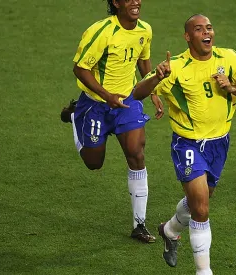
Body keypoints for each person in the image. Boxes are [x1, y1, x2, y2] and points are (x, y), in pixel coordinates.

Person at [133, 14, 236, 274]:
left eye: (210, 27)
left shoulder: (228, 59)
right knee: (201, 208)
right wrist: (157, 77)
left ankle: (169, 230)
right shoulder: (176, 66)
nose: (207, 32)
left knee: (199, 201)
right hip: (188, 144)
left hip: (219, 144)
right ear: (187, 36)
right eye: (199, 28)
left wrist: (232, 88)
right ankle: (204, 271)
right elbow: (137, 93)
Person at [60, 0, 164, 243]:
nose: (136, 2)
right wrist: (107, 96)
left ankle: (139, 225)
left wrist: (153, 92)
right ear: (116, 3)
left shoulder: (144, 30)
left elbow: (143, 60)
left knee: (136, 153)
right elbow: (80, 69)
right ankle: (77, 115)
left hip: (127, 102)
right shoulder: (101, 32)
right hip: (97, 104)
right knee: (94, 163)